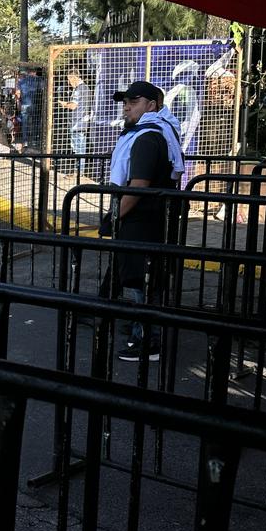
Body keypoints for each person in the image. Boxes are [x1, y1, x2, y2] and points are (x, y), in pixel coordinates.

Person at [108, 81, 185, 362]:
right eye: (125, 101)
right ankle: (142, 327)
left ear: (151, 105)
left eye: (134, 101)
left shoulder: (147, 137)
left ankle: (147, 341)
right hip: (149, 217)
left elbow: (139, 184)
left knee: (144, 280)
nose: (126, 106)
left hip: (143, 219)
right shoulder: (152, 132)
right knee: (143, 278)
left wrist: (115, 216)